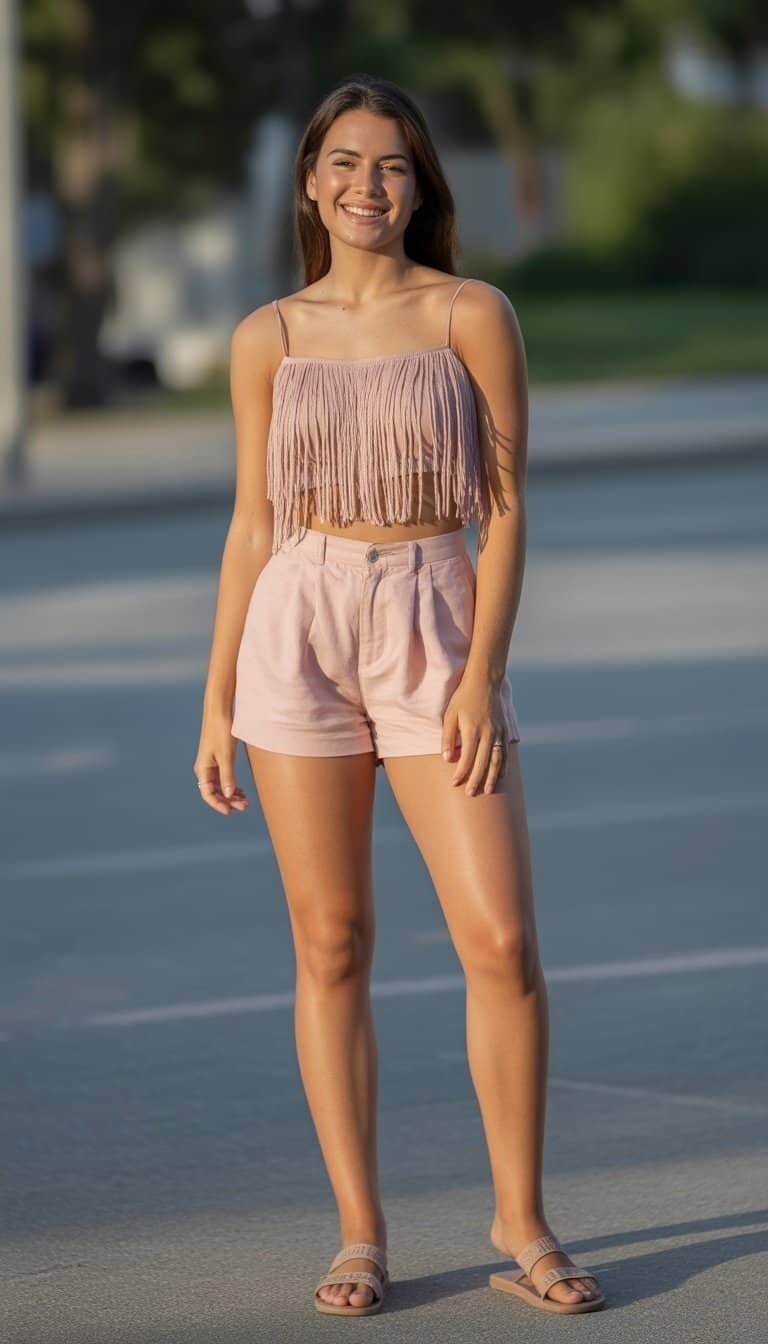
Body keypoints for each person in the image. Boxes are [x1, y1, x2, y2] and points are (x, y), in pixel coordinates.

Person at [194, 73, 605, 1319]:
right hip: (299, 627)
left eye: (395, 166)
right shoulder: (265, 336)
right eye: (348, 163)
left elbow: (512, 506)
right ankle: (360, 1230)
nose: (369, 185)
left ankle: (519, 1218)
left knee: (503, 942)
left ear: (422, 186)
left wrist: (482, 673)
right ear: (313, 182)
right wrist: (215, 701)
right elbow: (252, 524)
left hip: (433, 613)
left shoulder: (471, 313)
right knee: (332, 945)